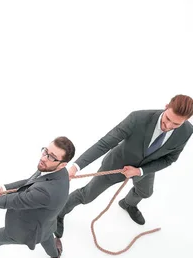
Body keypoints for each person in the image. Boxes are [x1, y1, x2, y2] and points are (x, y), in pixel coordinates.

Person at [55, 94, 193, 237]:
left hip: (144, 169)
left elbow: (169, 159)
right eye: (168, 119)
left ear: (186, 120)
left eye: (176, 124)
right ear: (166, 107)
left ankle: (128, 204)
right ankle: (58, 214)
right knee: (87, 196)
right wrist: (76, 167)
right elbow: (104, 144)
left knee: (145, 193)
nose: (168, 126)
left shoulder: (187, 131)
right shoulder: (137, 118)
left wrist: (139, 171)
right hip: (115, 164)